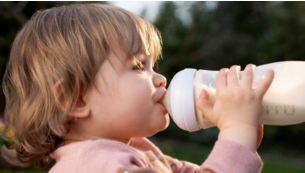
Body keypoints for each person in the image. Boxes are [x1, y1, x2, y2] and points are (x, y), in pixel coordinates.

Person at [1, 3, 274, 173]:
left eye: (153, 65)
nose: (160, 79)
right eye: (138, 66)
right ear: (76, 99)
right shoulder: (97, 166)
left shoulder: (135, 152)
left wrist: (240, 139)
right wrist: (238, 133)